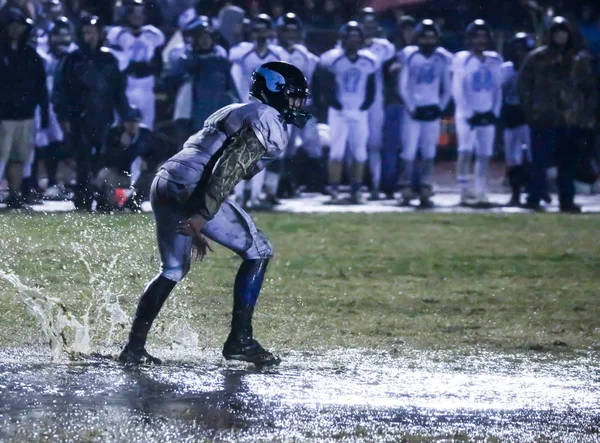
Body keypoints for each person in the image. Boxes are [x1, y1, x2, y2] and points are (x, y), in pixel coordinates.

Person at [118, 61, 311, 367]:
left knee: (172, 270)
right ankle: (240, 341)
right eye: (291, 95)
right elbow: (229, 167)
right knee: (259, 251)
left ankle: (134, 348)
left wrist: (196, 216)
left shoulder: (234, 109)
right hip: (194, 185)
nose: (295, 103)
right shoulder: (267, 117)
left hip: (166, 179)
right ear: (273, 92)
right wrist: (202, 214)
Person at [518, 16, 598, 212]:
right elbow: (523, 86)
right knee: (539, 162)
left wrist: (585, 115)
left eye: (564, 32)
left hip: (569, 120)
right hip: (542, 119)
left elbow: (589, 90)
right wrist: (531, 110)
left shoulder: (579, 61)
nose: (561, 36)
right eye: (557, 32)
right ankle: (534, 197)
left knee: (567, 165)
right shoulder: (537, 58)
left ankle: (566, 200)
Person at [53, 15, 130, 211]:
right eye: (87, 33)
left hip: (104, 117)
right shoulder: (73, 59)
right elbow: (61, 90)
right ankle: (83, 198)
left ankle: (104, 198)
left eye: (94, 33)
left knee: (103, 161)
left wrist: (125, 116)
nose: (91, 37)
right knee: (83, 160)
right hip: (80, 116)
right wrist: (63, 116)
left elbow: (118, 91)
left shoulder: (109, 59)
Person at [229, 13, 288, 209]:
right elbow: (236, 81)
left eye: (264, 28)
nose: (260, 33)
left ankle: (263, 194)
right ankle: (242, 194)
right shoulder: (241, 53)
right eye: (257, 29)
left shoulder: (279, 54)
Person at [315, 21, 377, 204]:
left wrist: (366, 104)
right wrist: (335, 104)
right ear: (343, 39)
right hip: (339, 112)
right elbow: (325, 86)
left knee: (360, 152)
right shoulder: (333, 59)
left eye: (356, 36)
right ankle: (334, 189)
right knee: (336, 151)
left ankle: (356, 190)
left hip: (359, 111)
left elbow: (371, 86)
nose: (353, 40)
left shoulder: (369, 60)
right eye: (350, 36)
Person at [397, 19, 452, 208]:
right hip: (413, 110)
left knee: (429, 150)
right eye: (425, 37)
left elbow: (447, 86)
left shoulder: (442, 57)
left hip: (432, 109)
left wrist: (440, 107)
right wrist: (411, 107)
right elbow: (403, 85)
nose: (428, 41)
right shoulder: (409, 55)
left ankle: (425, 186)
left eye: (431, 37)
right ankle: (406, 187)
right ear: (418, 38)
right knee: (409, 150)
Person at [0, 10, 48, 210]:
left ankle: (14, 194)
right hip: (3, 116)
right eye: (12, 25)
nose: (16, 30)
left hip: (25, 115)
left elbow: (40, 86)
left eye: (20, 26)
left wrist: (43, 111)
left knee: (18, 157)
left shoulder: (30, 55)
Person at [452, 19, 503, 206]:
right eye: (477, 36)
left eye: (483, 36)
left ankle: (481, 191)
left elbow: (498, 89)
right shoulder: (461, 58)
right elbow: (458, 89)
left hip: (487, 113)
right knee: (465, 152)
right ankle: (464, 192)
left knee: (484, 154)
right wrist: (468, 113)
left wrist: (494, 112)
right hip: (467, 115)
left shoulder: (495, 59)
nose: (480, 40)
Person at [160, 16, 239, 133]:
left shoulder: (220, 62)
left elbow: (231, 89)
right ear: (195, 40)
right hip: (191, 118)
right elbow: (167, 81)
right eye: (201, 37)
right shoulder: (185, 60)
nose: (205, 41)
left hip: (218, 115)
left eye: (208, 37)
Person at [275, 12, 322, 198]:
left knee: (313, 142)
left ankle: (314, 183)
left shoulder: (303, 54)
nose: (291, 35)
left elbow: (311, 75)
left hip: (303, 107)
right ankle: (283, 184)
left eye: (294, 31)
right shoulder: (274, 52)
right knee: (284, 147)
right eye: (287, 31)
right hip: (280, 108)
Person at [356, 7, 396, 201]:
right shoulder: (348, 44)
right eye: (366, 23)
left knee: (374, 145)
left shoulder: (384, 47)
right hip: (354, 101)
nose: (369, 27)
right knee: (353, 146)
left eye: (372, 23)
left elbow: (391, 68)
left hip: (375, 101)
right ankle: (355, 186)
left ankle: (375, 184)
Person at [106, 0, 165, 130]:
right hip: (126, 86)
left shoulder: (152, 33)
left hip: (147, 86)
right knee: (123, 127)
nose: (138, 16)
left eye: (140, 12)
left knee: (147, 128)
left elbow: (158, 61)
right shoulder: (116, 34)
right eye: (133, 12)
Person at [93, 105, 158, 211]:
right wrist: (123, 148)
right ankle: (110, 204)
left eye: (135, 122)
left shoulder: (146, 135)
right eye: (129, 122)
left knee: (157, 177)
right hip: (119, 173)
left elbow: (156, 155)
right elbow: (106, 159)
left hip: (138, 173)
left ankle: (133, 203)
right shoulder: (113, 134)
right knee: (103, 175)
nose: (132, 125)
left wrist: (148, 163)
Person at [501, 32, 535, 207]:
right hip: (511, 115)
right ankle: (515, 194)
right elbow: (500, 91)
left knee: (530, 155)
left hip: (527, 115)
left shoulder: (535, 68)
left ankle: (533, 191)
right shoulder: (506, 69)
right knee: (512, 157)